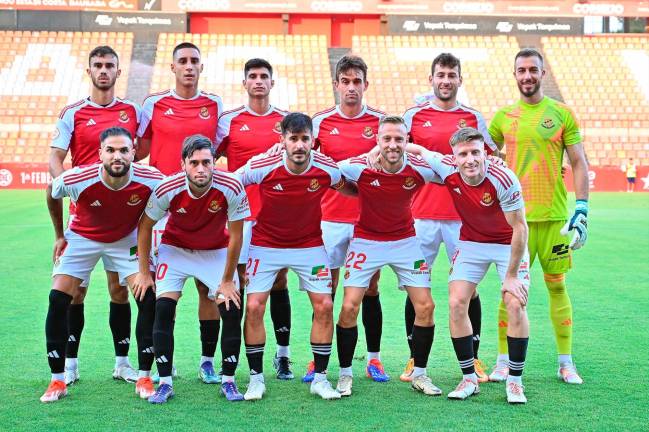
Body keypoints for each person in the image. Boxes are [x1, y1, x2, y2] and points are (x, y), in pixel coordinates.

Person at [407, 127, 531, 404]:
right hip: (472, 242)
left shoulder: (503, 178)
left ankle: (515, 381)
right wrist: (384, 150)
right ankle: (469, 379)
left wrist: (511, 276)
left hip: (507, 243)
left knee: (514, 303)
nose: (470, 159)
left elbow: (520, 228)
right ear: (455, 156)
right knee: (456, 303)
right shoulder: (447, 167)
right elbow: (419, 151)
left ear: (485, 152)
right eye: (463, 154)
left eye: (476, 152)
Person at [236, 113, 354, 401]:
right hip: (266, 245)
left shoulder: (326, 168)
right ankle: (255, 379)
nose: (299, 145)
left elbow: (349, 188)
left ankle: (321, 379)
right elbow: (231, 183)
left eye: (305, 139)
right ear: (282, 141)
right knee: (253, 307)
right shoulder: (263, 166)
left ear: (312, 140)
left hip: (309, 245)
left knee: (325, 305)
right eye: (293, 139)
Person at [489, 48, 589, 384]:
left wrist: (582, 208)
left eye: (533, 69)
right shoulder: (503, 118)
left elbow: (578, 162)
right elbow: (483, 155)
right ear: (514, 74)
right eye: (522, 70)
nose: (527, 75)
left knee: (557, 286)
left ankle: (566, 362)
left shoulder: (561, 114)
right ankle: (502, 361)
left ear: (542, 73)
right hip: (515, 220)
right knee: (510, 290)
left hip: (555, 218)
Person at [41, 127, 163, 403]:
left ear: (134, 152)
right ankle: (58, 379)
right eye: (110, 150)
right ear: (100, 154)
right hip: (83, 237)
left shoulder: (151, 178)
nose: (117, 156)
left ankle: (143, 375)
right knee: (58, 297)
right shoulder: (79, 178)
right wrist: (60, 235)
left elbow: (171, 197)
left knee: (148, 296)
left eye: (123, 150)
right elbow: (52, 191)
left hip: (126, 239)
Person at [400, 53, 498, 383]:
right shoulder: (413, 116)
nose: (445, 80)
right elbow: (397, 152)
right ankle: (415, 358)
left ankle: (474, 357)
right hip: (421, 215)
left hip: (463, 218)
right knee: (417, 288)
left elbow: (492, 157)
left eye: (451, 74)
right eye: (440, 74)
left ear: (460, 79)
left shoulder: (473, 117)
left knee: (468, 290)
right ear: (431, 79)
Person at [48, 45, 142, 385]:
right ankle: (70, 365)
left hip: (122, 219)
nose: (104, 71)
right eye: (98, 65)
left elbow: (139, 152)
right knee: (75, 292)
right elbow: (56, 157)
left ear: (119, 72)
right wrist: (67, 185)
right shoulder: (72, 112)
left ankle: (123, 362)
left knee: (120, 290)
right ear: (90, 71)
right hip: (83, 219)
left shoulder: (133, 111)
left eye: (110, 66)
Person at [133, 135, 250, 403]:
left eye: (206, 162)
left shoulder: (231, 186)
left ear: (214, 163)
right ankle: (164, 382)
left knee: (231, 309)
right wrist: (143, 270)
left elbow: (236, 236)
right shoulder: (167, 188)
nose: (200, 169)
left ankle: (229, 381)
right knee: (162, 309)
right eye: (194, 162)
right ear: (183, 164)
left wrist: (228, 280)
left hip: (216, 251)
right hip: (175, 250)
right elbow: (145, 226)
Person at [335, 116, 442, 398]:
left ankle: (420, 374)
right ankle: (345, 374)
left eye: (399, 139)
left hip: (405, 241)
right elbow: (331, 174)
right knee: (348, 307)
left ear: (407, 141)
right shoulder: (359, 166)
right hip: (366, 240)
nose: (393, 145)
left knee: (426, 306)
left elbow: (453, 172)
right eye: (387, 139)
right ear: (377, 140)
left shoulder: (419, 169)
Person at [137, 42, 224, 383]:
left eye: (194, 61)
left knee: (208, 291)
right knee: (164, 293)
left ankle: (206, 361)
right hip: (164, 209)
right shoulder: (153, 103)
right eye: (183, 61)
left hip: (202, 208)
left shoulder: (214, 104)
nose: (189, 66)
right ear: (172, 67)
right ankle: (165, 361)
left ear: (201, 67)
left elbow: (219, 150)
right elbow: (140, 149)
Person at [308, 55, 387, 383]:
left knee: (370, 287)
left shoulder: (382, 123)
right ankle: (318, 358)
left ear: (365, 85)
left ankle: (374, 358)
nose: (352, 87)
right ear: (337, 85)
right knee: (326, 288)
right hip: (329, 218)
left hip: (368, 219)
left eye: (358, 82)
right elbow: (306, 162)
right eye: (346, 81)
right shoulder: (320, 122)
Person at [216, 58, 293, 380]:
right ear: (244, 83)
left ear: (272, 83)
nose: (259, 81)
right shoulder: (229, 121)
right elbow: (210, 159)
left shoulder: (286, 121)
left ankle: (283, 355)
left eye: (264, 76)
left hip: (277, 216)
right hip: (242, 217)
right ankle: (236, 359)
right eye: (253, 76)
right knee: (241, 283)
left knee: (279, 281)